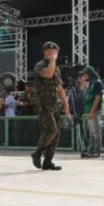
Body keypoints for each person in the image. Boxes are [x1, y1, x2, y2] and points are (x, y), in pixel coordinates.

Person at [31, 42, 72, 170]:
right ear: (44, 52)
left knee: (56, 134)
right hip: (43, 103)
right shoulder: (40, 65)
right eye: (48, 51)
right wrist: (53, 60)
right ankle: (37, 152)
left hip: (54, 104)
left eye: (54, 52)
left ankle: (47, 161)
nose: (51, 53)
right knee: (51, 129)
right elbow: (48, 74)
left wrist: (66, 105)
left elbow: (59, 87)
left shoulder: (57, 69)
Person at [81, 66, 104, 159]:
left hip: (94, 110)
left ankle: (96, 151)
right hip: (89, 109)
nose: (84, 76)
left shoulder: (97, 83)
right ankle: (90, 150)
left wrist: (91, 111)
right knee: (92, 131)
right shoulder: (91, 83)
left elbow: (97, 98)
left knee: (96, 131)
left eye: (85, 74)